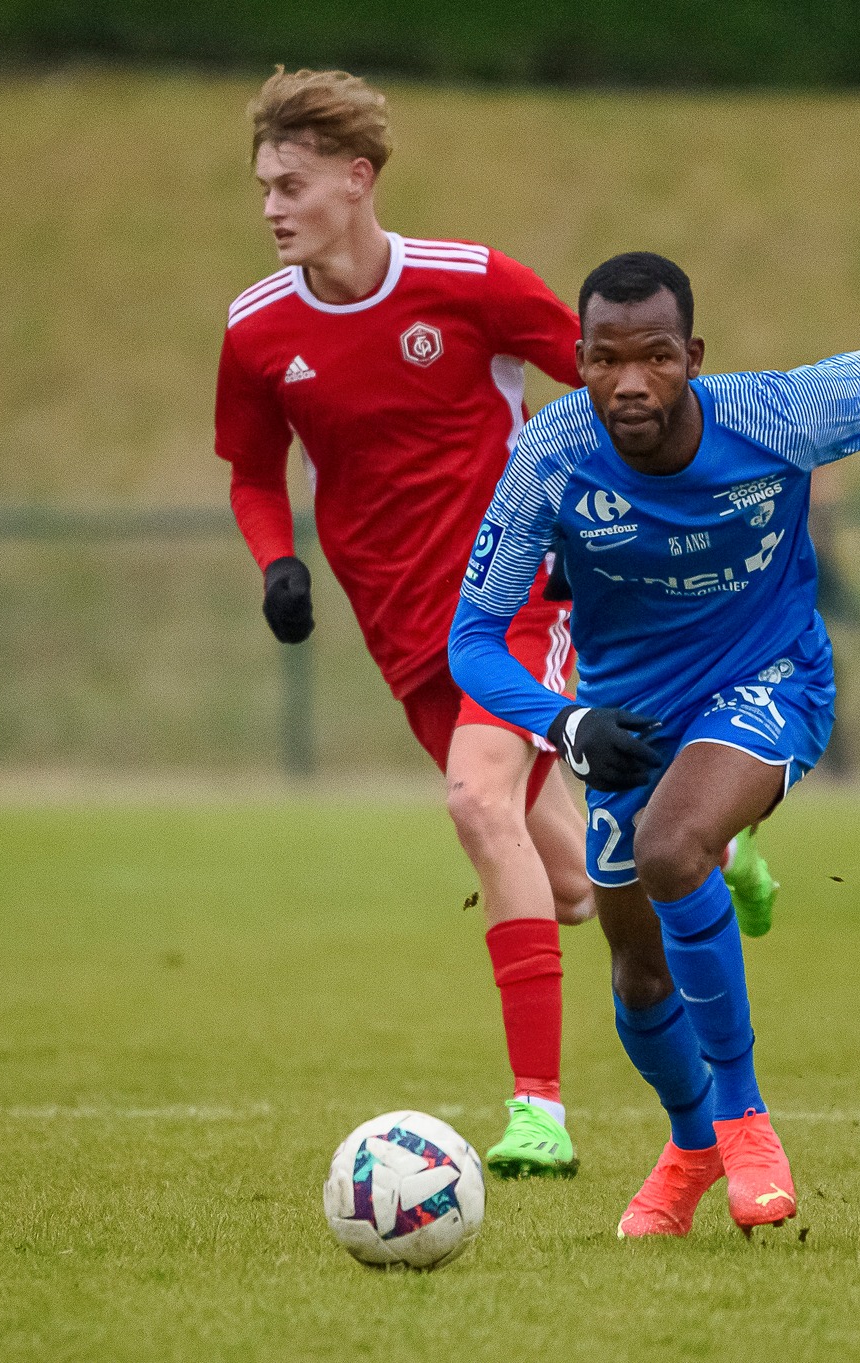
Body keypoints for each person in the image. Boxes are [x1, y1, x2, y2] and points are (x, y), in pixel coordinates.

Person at [449, 252, 860, 1236]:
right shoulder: (550, 452)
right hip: (628, 720)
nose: (629, 382)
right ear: (578, 363)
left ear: (694, 357)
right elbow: (471, 637)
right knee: (636, 980)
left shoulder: (777, 414)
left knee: (674, 846)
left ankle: (745, 1116)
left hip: (769, 684)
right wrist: (567, 721)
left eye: (656, 356)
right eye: (603, 360)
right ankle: (690, 1147)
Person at [214, 68, 698, 1176]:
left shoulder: (469, 286)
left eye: (289, 184)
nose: (272, 207)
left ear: (357, 177)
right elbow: (252, 470)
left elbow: (612, 386)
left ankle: (539, 1112)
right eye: (261, 188)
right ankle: (708, 838)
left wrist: (606, 526)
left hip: (512, 600)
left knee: (475, 802)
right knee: (574, 887)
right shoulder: (254, 332)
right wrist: (277, 562)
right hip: (399, 630)